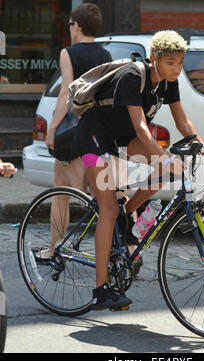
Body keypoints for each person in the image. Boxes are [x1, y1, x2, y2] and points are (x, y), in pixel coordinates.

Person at [74, 30, 204, 311]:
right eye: (171, 62)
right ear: (154, 59)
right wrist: (162, 156)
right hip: (93, 136)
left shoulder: (169, 82)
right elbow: (140, 127)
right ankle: (100, 290)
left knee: (170, 170)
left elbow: (184, 124)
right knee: (108, 208)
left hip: (121, 138)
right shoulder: (133, 77)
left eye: (181, 62)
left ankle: (126, 221)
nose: (177, 68)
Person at [37, 3, 112, 259]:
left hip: (74, 134)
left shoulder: (68, 53)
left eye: (70, 24)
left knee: (61, 193)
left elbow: (65, 93)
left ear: (77, 26)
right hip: (99, 133)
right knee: (105, 196)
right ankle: (123, 247)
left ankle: (55, 248)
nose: (69, 28)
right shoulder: (106, 56)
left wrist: (53, 128)